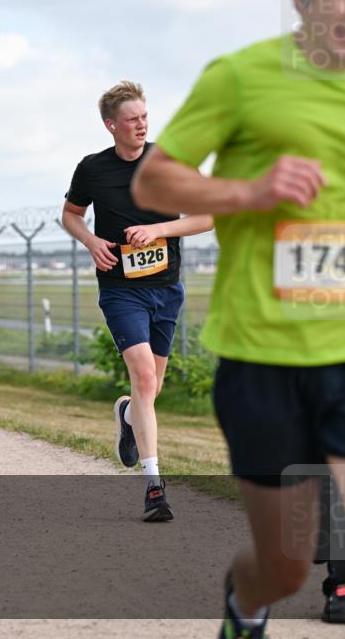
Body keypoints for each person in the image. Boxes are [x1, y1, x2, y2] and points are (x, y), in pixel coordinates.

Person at [132, 0, 345, 634]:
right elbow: (154, 179)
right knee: (282, 566)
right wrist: (251, 190)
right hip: (264, 354)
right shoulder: (242, 76)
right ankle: (243, 601)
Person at [62, 81, 213, 522]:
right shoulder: (92, 169)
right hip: (119, 288)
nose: (141, 125)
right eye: (132, 119)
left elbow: (205, 217)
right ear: (112, 125)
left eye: (145, 117)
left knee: (150, 390)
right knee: (144, 378)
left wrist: (159, 230)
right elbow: (71, 214)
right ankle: (154, 487)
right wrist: (90, 241)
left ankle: (128, 415)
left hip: (166, 288)